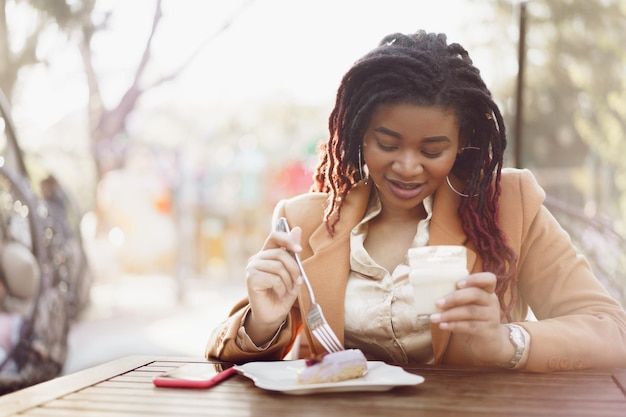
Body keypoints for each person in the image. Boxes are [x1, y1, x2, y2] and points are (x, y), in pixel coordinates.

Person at [206, 30, 626, 372]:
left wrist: (507, 342)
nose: (407, 167)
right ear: (359, 135)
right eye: (387, 144)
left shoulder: (508, 207)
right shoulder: (303, 219)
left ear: (462, 144)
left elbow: (610, 331)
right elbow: (231, 361)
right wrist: (264, 321)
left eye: (431, 151)